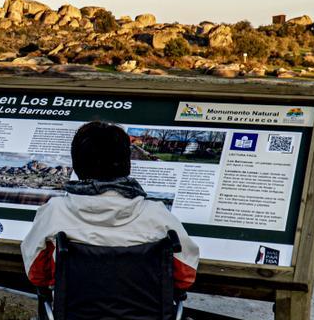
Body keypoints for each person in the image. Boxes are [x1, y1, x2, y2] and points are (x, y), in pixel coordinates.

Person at [21, 121, 200, 291]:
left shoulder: (54, 212)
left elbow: (37, 274)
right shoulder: (158, 216)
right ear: (127, 164)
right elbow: (185, 276)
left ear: (76, 165)